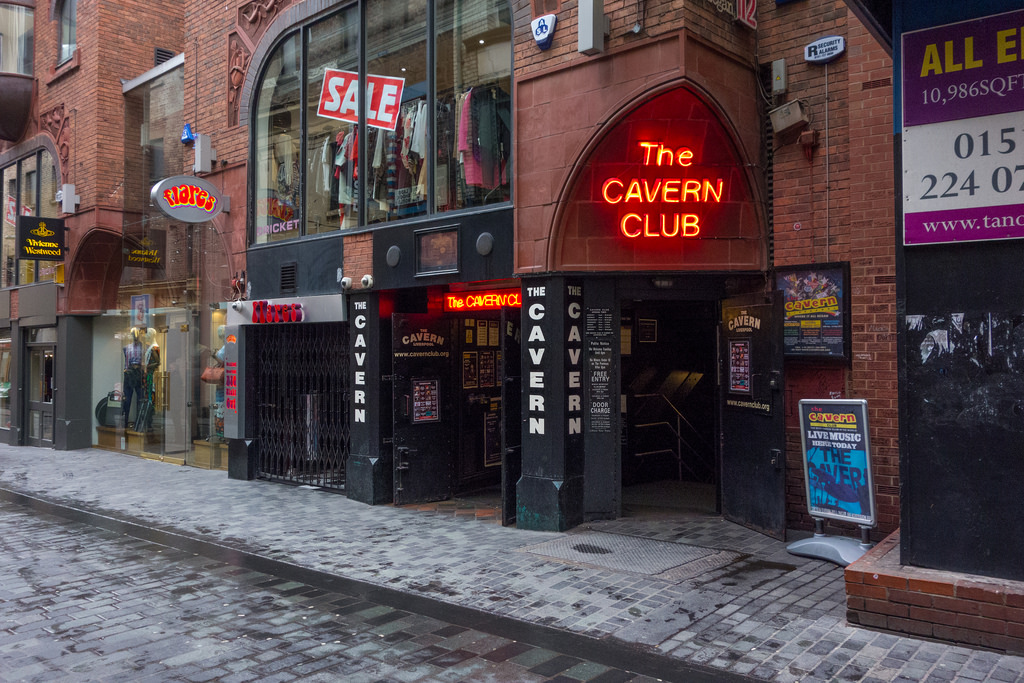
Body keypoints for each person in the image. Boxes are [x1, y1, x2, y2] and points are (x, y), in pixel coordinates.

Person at [122, 328, 144, 428]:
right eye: (133, 334)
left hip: (139, 372)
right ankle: (125, 422)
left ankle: (139, 423)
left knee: (140, 398)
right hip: (129, 372)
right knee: (127, 398)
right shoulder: (126, 348)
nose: (135, 336)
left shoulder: (143, 347)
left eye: (137, 334)